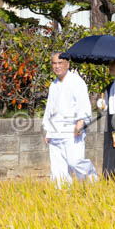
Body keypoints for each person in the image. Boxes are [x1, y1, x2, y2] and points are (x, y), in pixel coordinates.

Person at [42, 53, 96, 186]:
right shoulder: (53, 85)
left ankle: (92, 181)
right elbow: (49, 108)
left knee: (75, 161)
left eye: (60, 63)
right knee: (58, 167)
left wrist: (81, 122)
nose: (57, 66)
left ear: (67, 64)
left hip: (72, 129)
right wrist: (47, 130)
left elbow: (83, 103)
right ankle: (63, 193)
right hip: (55, 131)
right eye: (54, 63)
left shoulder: (76, 81)